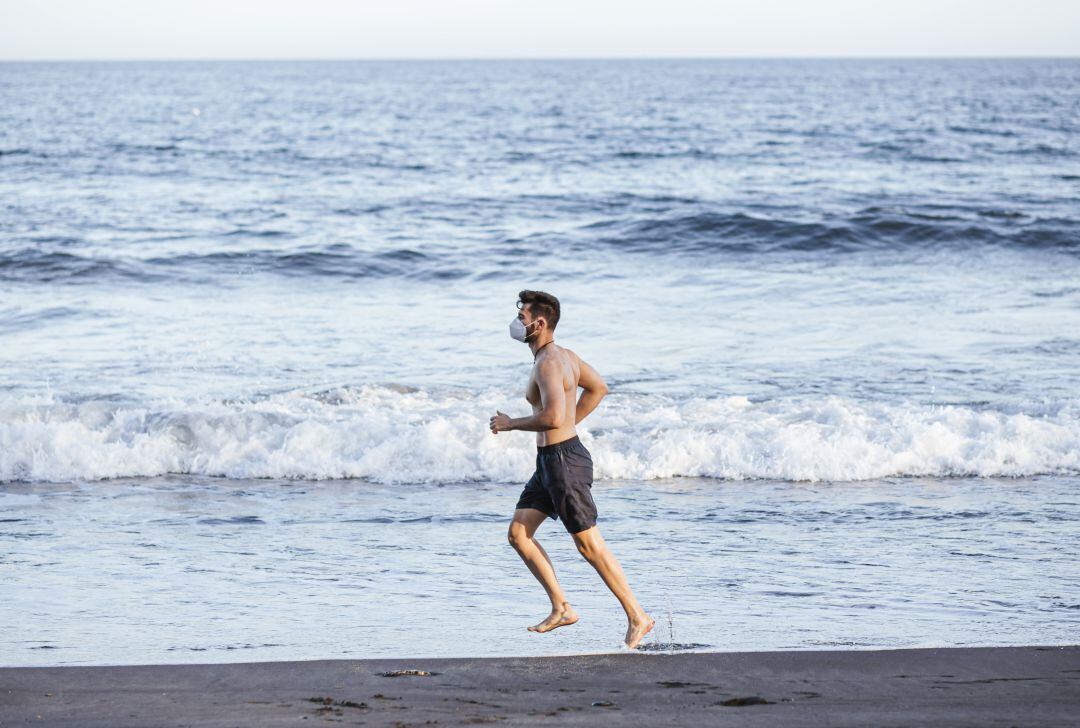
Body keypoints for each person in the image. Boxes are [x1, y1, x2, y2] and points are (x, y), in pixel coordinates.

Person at [490, 290, 654, 650]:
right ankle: (562, 607)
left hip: (563, 463)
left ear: (540, 323)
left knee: (588, 545)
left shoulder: (549, 362)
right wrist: (569, 426)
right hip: (551, 462)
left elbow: (552, 416)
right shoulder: (566, 357)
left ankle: (637, 615)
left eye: (522, 318)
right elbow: (598, 388)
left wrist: (510, 423)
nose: (518, 324)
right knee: (519, 533)